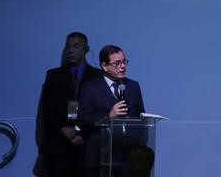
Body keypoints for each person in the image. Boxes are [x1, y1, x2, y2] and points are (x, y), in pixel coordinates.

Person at [37, 32, 103, 177]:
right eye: (68, 47)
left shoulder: (98, 76)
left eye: (76, 46)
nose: (71, 50)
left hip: (87, 147)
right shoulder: (54, 75)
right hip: (58, 146)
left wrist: (80, 132)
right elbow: (48, 110)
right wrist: (63, 129)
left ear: (86, 49)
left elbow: (99, 110)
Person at [79, 45, 146, 177]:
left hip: (128, 158)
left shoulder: (133, 86)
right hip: (99, 156)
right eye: (117, 63)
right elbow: (83, 118)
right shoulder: (90, 88)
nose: (122, 66)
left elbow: (141, 118)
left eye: (124, 61)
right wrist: (108, 116)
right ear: (104, 66)